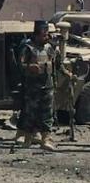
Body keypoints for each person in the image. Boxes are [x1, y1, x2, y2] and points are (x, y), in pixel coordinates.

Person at [17, 20, 59, 151]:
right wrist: (29, 67)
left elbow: (55, 63)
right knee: (31, 113)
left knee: (47, 114)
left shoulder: (49, 48)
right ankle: (28, 138)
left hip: (47, 85)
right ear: (36, 35)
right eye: (43, 35)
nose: (46, 37)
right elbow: (20, 65)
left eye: (47, 34)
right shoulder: (28, 48)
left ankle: (46, 139)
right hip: (32, 87)